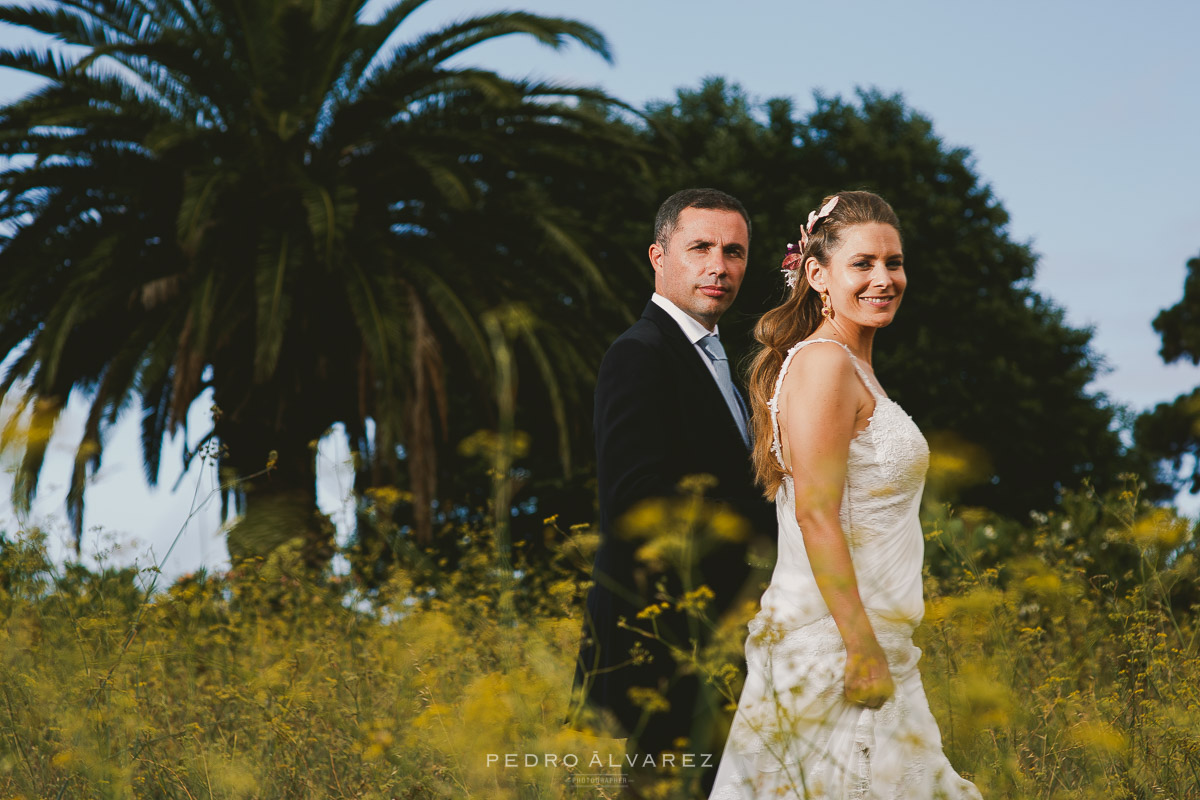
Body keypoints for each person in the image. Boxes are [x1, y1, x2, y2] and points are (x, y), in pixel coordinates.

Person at [707, 191, 981, 798]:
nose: (884, 279)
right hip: (835, 647)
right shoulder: (825, 364)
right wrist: (860, 648)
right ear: (816, 274)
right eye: (863, 263)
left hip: (877, 641)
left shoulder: (856, 369)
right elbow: (815, 513)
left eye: (894, 262)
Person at [573, 188, 776, 794]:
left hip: (718, 640)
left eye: (734, 251)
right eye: (701, 248)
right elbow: (638, 502)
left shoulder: (723, 364)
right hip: (664, 649)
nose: (720, 266)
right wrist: (773, 524)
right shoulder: (640, 354)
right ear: (659, 257)